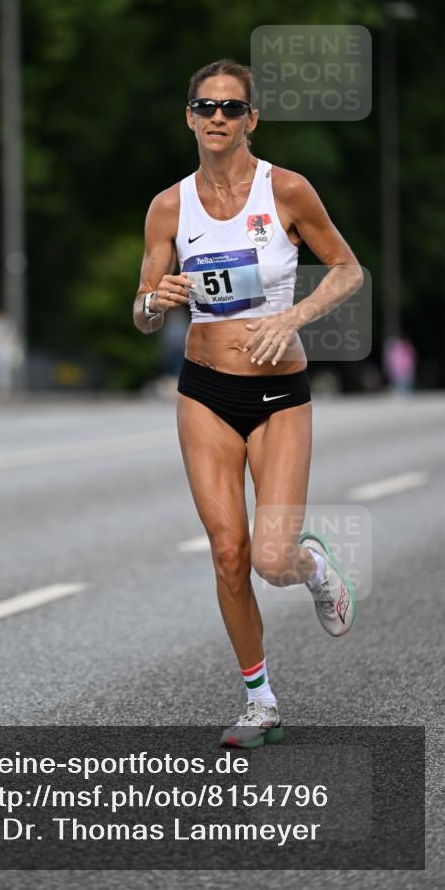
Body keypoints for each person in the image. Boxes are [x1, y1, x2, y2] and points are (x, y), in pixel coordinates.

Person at [133, 59, 364, 748]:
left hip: (278, 394)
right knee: (228, 554)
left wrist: (291, 319)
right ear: (188, 117)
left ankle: (312, 567)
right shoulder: (168, 206)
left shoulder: (286, 189)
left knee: (269, 557)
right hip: (204, 392)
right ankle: (259, 701)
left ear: (250, 119)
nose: (216, 118)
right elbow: (142, 310)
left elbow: (349, 269)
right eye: (204, 106)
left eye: (230, 108)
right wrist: (155, 300)